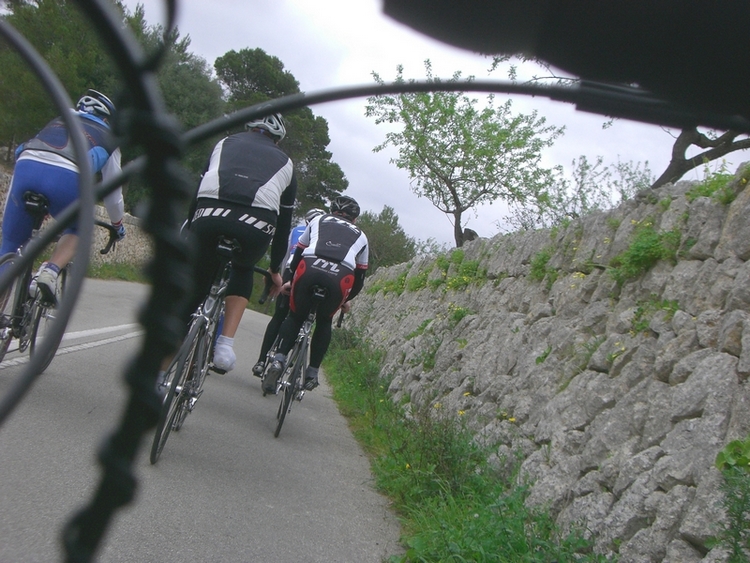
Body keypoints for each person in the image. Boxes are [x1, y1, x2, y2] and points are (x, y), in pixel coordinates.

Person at [183, 112, 296, 373]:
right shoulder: (287, 163)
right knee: (243, 268)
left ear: (248, 128)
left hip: (208, 215)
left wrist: (191, 231)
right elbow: (283, 226)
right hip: (254, 225)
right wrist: (274, 270)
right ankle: (224, 345)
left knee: (198, 279)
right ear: (277, 139)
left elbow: (197, 195)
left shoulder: (223, 143)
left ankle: (161, 375)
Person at [0, 89, 126, 304]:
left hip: (25, 168)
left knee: (9, 243)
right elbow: (113, 193)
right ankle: (50, 271)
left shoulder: (58, 120)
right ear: (107, 119)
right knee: (80, 228)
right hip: (67, 177)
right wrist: (117, 225)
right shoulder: (109, 137)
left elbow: (21, 151)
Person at [263, 195, 369, 393]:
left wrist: (289, 281)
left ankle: (278, 360)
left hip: (309, 267)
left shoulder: (318, 220)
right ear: (354, 219)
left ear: (332, 211)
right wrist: (345, 300)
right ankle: (312, 372)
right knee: (324, 321)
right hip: (340, 276)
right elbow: (360, 277)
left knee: (295, 316)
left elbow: (297, 255)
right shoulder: (362, 236)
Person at [252, 207, 326, 377]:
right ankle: (287, 355)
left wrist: (279, 277)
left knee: (279, 316)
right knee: (299, 317)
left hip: (291, 271)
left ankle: (261, 361)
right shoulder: (326, 235)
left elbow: (286, 256)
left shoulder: (297, 231)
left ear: (307, 221)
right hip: (314, 275)